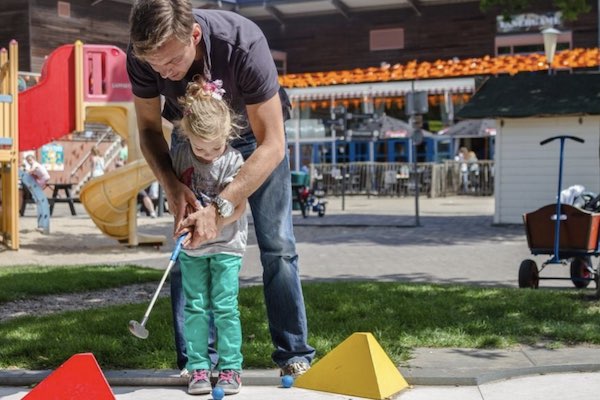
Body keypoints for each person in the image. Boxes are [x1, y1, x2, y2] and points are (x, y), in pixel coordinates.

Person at [127, 0, 315, 378]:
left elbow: (274, 144)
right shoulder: (143, 55)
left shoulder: (243, 45)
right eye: (155, 66)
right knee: (188, 241)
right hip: (190, 135)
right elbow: (148, 130)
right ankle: (196, 362)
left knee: (278, 245)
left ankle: (293, 353)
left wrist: (222, 206)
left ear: (194, 35)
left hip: (253, 137)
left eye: (171, 63)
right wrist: (173, 188)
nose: (164, 73)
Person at [173, 76, 247, 395]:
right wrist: (182, 220)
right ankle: (199, 367)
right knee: (196, 306)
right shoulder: (179, 158)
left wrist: (215, 218)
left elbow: (240, 207)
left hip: (227, 245)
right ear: (185, 135)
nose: (207, 153)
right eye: (199, 147)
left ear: (227, 135)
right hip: (192, 248)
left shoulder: (233, 159)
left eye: (215, 146)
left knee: (226, 305)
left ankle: (230, 368)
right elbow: (174, 201)